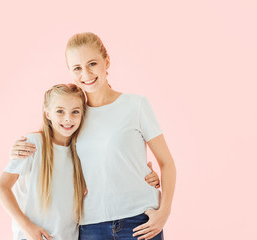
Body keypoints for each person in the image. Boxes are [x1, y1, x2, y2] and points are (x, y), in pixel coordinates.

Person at [10, 32, 176, 240]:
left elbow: (167, 163)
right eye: (77, 68)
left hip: (139, 221)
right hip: (91, 227)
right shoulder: (76, 118)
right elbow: (53, 146)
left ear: (107, 62)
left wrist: (164, 212)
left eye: (92, 64)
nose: (86, 74)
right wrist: (19, 148)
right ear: (70, 71)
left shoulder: (136, 105)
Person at [0, 84, 88, 240]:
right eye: (60, 111)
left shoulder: (81, 151)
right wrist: (27, 227)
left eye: (75, 112)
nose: (68, 118)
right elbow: (2, 187)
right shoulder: (33, 144)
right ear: (48, 114)